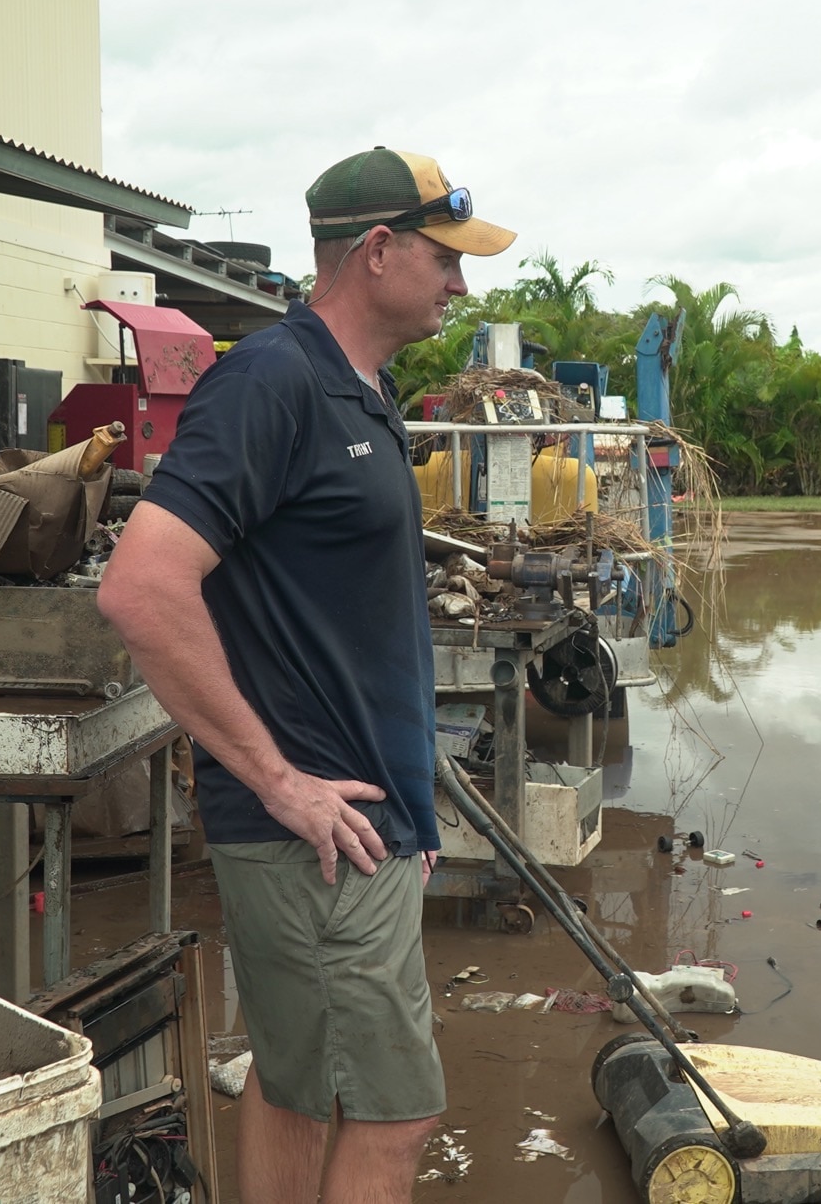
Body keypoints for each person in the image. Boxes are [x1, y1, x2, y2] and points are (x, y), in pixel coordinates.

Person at [98, 147, 515, 1203]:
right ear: (375, 250)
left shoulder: (363, 390)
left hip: (363, 823)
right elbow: (141, 588)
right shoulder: (273, 380)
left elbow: (349, 621)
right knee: (393, 1114)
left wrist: (410, 802)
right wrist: (279, 780)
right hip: (313, 838)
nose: (460, 282)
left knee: (293, 1086)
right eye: (444, 257)